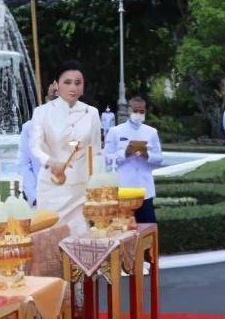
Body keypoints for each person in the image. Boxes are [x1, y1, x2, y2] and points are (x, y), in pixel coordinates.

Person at [30, 61, 102, 236]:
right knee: (49, 238)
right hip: (51, 185)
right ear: (56, 85)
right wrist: (50, 162)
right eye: (67, 82)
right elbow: (34, 147)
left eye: (78, 83)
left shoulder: (91, 113)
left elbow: (97, 152)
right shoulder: (42, 112)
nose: (73, 87)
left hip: (80, 188)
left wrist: (99, 185)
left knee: (80, 238)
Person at [103, 96, 163, 223]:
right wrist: (124, 153)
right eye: (136, 110)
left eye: (142, 111)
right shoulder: (116, 131)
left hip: (145, 190)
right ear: (129, 110)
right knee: (123, 228)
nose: (139, 114)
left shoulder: (151, 132)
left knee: (148, 229)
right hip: (123, 189)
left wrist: (147, 155)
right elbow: (106, 159)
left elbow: (159, 159)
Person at [18, 83, 57, 206]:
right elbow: (23, 165)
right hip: (40, 199)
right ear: (46, 99)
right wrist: (33, 196)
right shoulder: (30, 128)